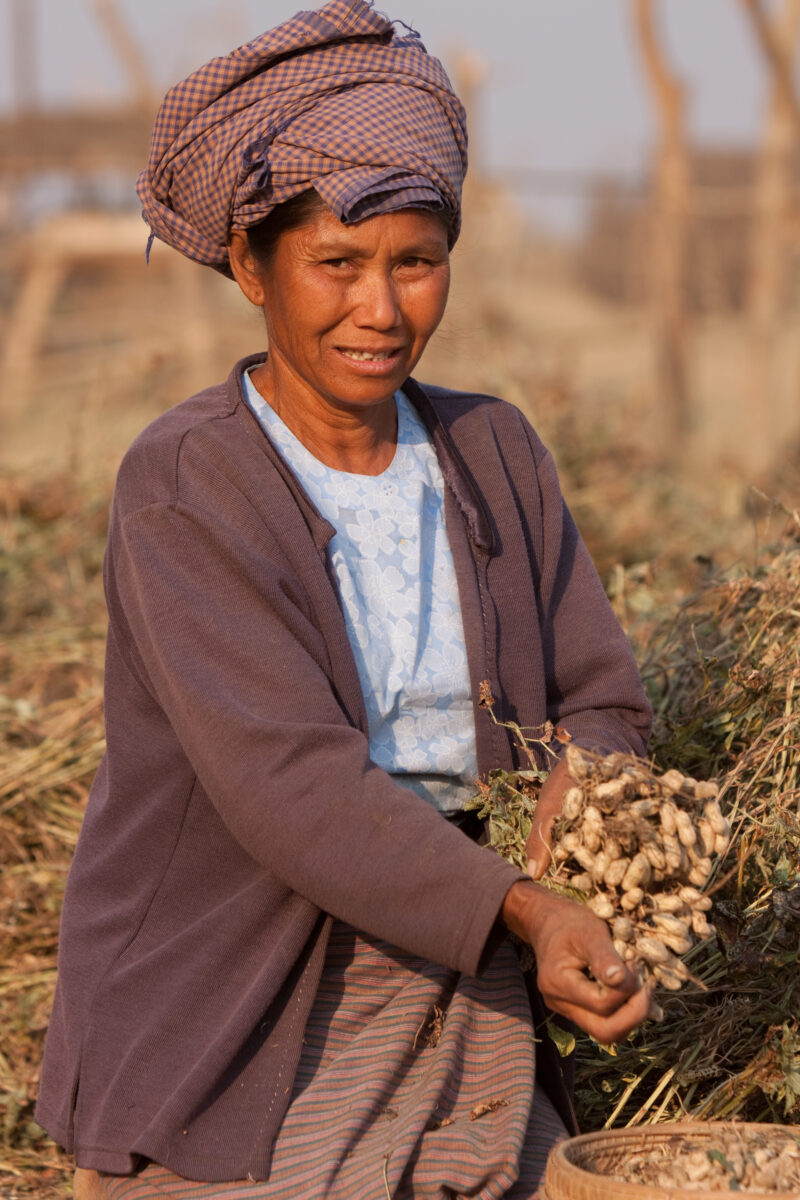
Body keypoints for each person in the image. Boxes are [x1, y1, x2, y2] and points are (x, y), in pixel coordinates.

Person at [35, 3, 653, 1197]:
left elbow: (599, 691)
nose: (381, 308)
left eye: (415, 263)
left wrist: (587, 815)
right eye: (338, 263)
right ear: (249, 266)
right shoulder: (188, 484)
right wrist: (523, 908)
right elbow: (290, 787)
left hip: (466, 954)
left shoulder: (494, 451)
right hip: (241, 989)